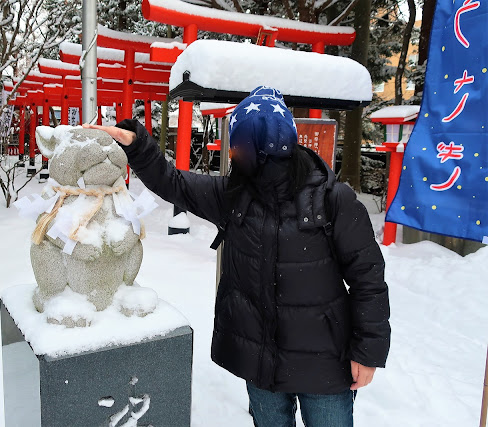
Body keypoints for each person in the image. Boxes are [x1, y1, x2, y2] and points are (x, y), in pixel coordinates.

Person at [84, 86, 390, 427]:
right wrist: (138, 144)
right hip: (262, 362)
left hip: (326, 365)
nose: (232, 152)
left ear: (255, 148)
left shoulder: (334, 199)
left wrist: (368, 351)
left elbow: (368, 278)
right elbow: (175, 184)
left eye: (238, 144)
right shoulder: (235, 195)